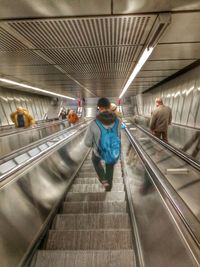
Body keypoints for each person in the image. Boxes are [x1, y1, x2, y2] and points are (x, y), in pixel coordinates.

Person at [84, 97, 121, 191]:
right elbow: (118, 136)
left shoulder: (93, 123)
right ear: (109, 107)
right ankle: (109, 187)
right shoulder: (117, 121)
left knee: (95, 160)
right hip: (112, 151)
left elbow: (87, 142)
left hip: (99, 151)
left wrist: (95, 143)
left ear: (99, 108)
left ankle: (103, 179)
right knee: (110, 164)